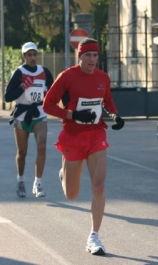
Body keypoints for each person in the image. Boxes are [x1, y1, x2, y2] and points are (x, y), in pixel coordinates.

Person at [43, 38, 124, 255]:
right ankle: (64, 173)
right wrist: (72, 114)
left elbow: (107, 100)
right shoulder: (67, 76)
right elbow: (48, 104)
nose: (92, 59)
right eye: (88, 55)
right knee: (71, 194)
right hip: (73, 136)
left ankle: (94, 236)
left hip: (96, 134)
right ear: (80, 56)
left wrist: (115, 115)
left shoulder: (103, 78)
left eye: (95, 55)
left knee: (99, 186)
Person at [5, 42, 53, 198]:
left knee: (42, 146)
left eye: (34, 54)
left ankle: (38, 183)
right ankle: (21, 180)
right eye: (29, 55)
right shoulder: (18, 73)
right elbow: (7, 97)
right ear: (23, 56)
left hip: (39, 112)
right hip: (22, 114)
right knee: (22, 152)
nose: (32, 58)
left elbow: (54, 92)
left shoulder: (44, 72)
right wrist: (22, 87)